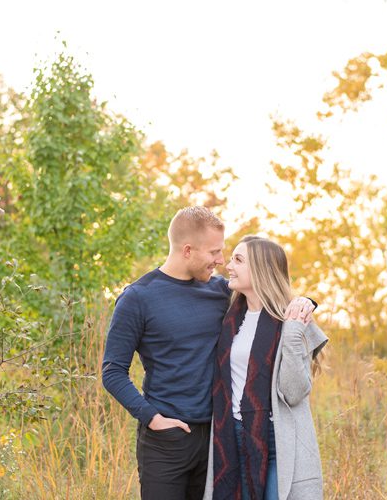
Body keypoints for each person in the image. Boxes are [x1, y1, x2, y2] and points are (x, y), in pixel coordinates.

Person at [102, 207, 315, 500]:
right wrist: (152, 418)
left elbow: (267, 291)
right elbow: (112, 372)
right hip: (166, 441)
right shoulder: (138, 298)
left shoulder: (220, 290)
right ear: (188, 250)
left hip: (219, 438)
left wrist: (306, 301)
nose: (221, 260)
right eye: (214, 252)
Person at [204, 235, 327, 500]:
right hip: (232, 435)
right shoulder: (229, 315)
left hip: (276, 440)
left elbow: (294, 392)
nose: (229, 265)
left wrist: (294, 331)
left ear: (261, 268)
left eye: (238, 260)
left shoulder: (292, 319)